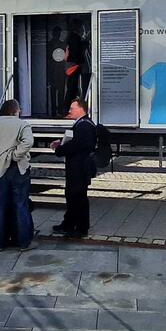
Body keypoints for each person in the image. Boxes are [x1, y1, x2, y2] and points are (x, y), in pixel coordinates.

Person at [0, 99, 36, 250]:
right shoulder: (22, 124)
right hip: (17, 168)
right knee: (21, 205)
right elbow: (28, 142)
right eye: (19, 110)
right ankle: (23, 243)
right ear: (15, 110)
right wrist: (15, 155)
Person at [51, 97, 96, 238]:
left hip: (79, 167)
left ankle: (80, 228)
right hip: (76, 166)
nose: (70, 111)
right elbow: (73, 141)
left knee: (78, 197)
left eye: (72, 108)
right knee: (72, 196)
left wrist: (60, 149)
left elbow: (76, 145)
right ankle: (69, 223)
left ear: (81, 109)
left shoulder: (84, 125)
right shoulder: (81, 124)